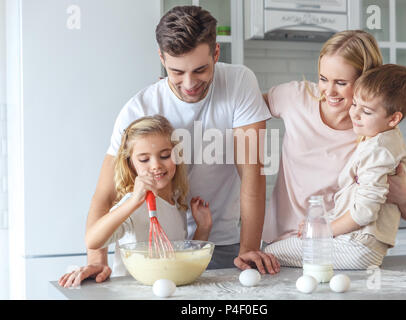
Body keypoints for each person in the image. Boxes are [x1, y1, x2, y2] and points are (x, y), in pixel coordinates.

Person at [59, 5, 279, 288]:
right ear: (162, 58)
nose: (189, 84)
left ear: (216, 53)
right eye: (176, 72)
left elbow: (252, 175)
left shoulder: (238, 83)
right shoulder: (139, 109)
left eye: (200, 70)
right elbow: (105, 194)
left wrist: (248, 248)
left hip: (225, 242)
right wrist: (97, 260)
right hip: (156, 249)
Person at [260, 30, 406, 257]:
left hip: (334, 247)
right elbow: (245, 111)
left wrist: (400, 193)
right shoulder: (295, 98)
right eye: (323, 79)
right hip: (280, 244)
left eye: (341, 83)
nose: (329, 91)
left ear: (365, 80)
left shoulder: (376, 134)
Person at [81, 115, 212, 278]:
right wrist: (133, 202)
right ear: (131, 164)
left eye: (165, 156)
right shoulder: (132, 205)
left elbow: (181, 259)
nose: (156, 165)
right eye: (144, 159)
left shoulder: (177, 204)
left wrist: (203, 228)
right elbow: (92, 240)